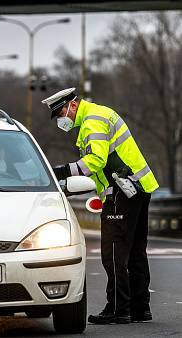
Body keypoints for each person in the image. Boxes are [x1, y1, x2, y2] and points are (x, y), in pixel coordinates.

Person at [42, 88, 158, 325]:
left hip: (123, 190)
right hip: (138, 188)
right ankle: (139, 308)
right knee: (135, 251)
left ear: (72, 105)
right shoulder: (98, 115)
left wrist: (61, 172)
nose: (61, 119)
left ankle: (118, 309)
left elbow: (96, 161)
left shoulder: (92, 121)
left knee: (113, 253)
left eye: (61, 112)